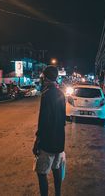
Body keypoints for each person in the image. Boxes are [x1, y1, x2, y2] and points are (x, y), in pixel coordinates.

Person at [33, 65, 66, 196]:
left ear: (45, 78)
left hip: (48, 142)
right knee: (56, 168)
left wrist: (37, 141)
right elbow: (63, 119)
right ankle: (58, 194)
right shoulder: (61, 94)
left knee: (42, 173)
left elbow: (43, 122)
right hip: (59, 141)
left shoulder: (46, 95)